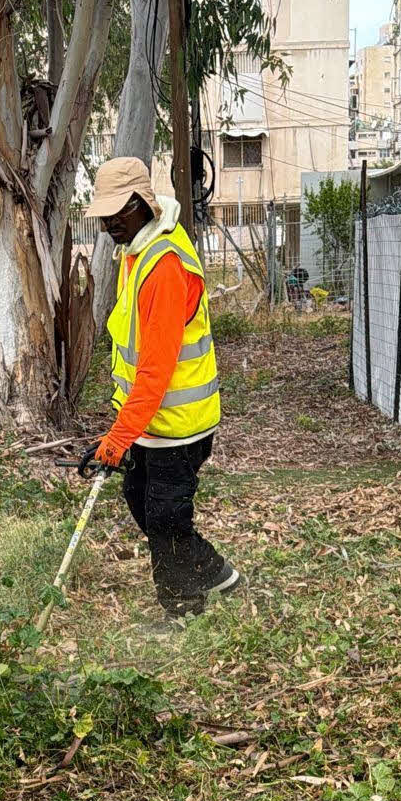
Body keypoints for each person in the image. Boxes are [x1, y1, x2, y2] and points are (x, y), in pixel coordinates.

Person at [82, 156, 241, 618]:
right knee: (140, 500)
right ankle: (213, 572)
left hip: (179, 424)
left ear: (140, 203)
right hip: (153, 421)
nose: (110, 222)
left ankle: (183, 608)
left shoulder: (164, 266)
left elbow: (155, 370)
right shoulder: (138, 249)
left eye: (117, 212)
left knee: (167, 518)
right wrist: (121, 431)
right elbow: (134, 360)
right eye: (105, 214)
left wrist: (117, 438)